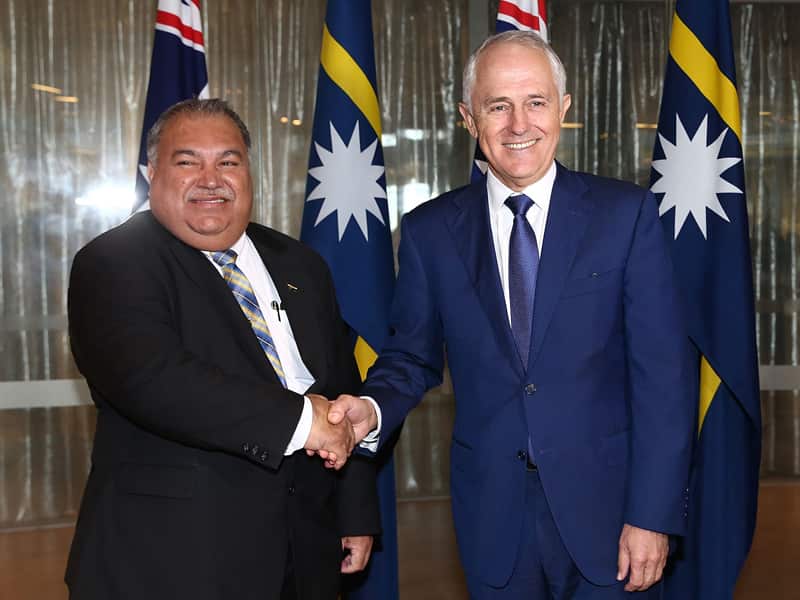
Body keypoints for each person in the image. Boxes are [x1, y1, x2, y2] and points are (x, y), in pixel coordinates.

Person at [327, 31, 694, 598]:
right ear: (468, 119)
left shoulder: (626, 216)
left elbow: (664, 378)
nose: (519, 124)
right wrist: (371, 410)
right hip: (493, 518)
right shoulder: (430, 232)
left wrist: (652, 513)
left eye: (535, 102)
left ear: (563, 109)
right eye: (498, 106)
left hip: (612, 514)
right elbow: (411, 357)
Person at [65, 98, 379, 600]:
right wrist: (305, 421)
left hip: (305, 553)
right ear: (152, 173)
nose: (210, 180)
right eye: (187, 162)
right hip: (171, 561)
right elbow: (156, 380)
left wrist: (354, 512)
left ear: (249, 173)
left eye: (228, 162)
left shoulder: (300, 263)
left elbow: (342, 385)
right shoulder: (113, 262)